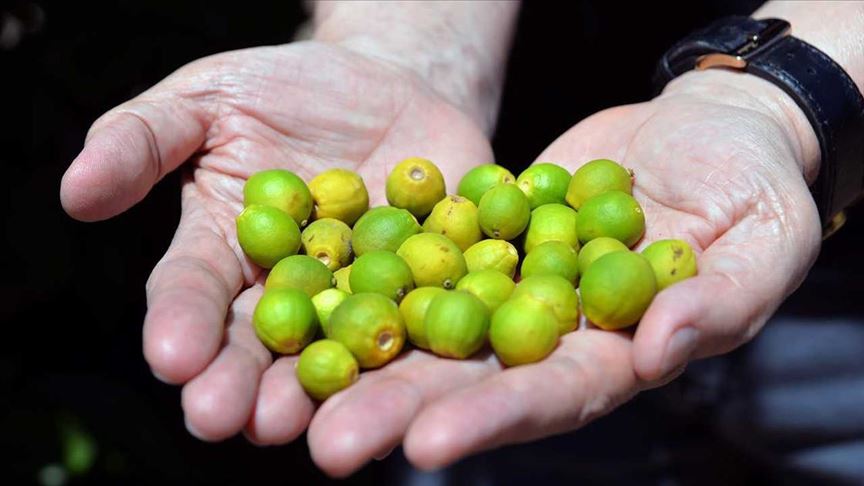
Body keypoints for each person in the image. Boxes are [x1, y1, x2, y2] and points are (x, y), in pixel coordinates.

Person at [58, 0, 863, 480]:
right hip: (501, 160)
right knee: (471, 440)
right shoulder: (412, 254)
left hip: (839, 300)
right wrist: (401, 50)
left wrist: (790, 97)